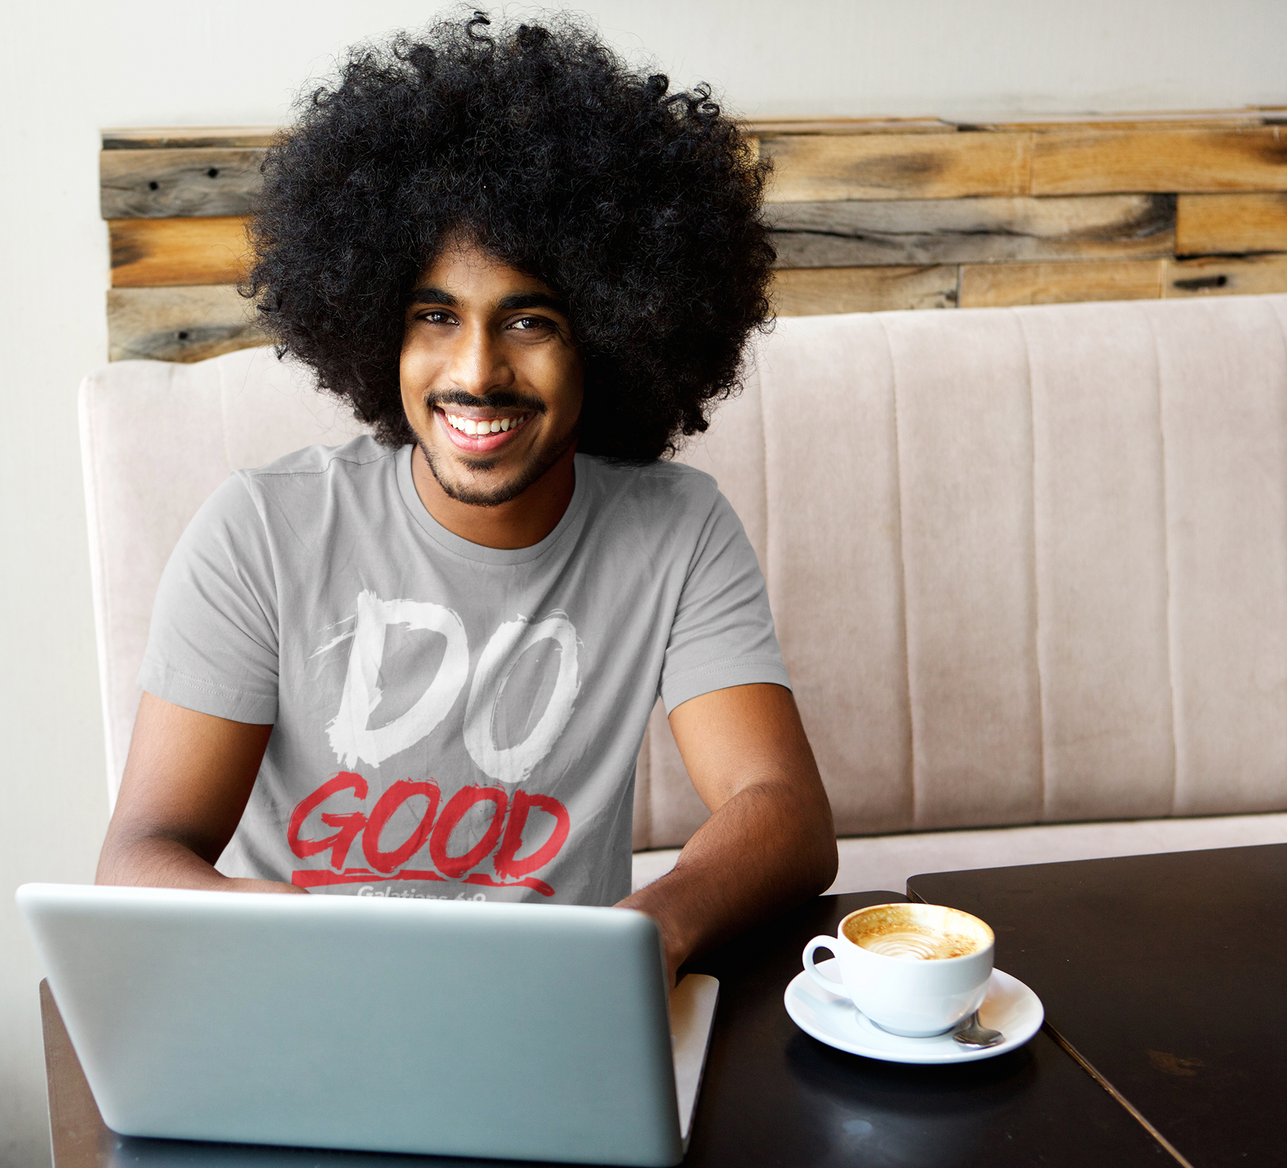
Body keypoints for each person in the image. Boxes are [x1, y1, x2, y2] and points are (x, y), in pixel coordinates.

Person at [96, 11, 837, 983]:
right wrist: (283, 930)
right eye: (434, 316)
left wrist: (651, 929)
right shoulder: (263, 531)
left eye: (528, 319)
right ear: (376, 330)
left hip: (555, 1005)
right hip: (309, 997)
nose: (475, 371)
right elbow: (139, 854)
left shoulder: (674, 529)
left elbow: (781, 805)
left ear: (614, 334)